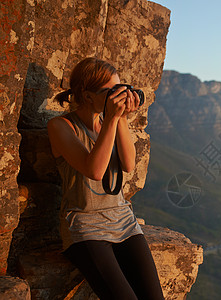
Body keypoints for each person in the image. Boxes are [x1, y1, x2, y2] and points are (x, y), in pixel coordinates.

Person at [47, 57, 165, 300]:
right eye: (111, 91)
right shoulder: (61, 126)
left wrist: (120, 118)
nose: (118, 96)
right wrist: (112, 118)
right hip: (85, 226)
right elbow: (95, 171)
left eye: (121, 88)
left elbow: (129, 164)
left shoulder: (110, 121)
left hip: (122, 219)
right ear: (88, 95)